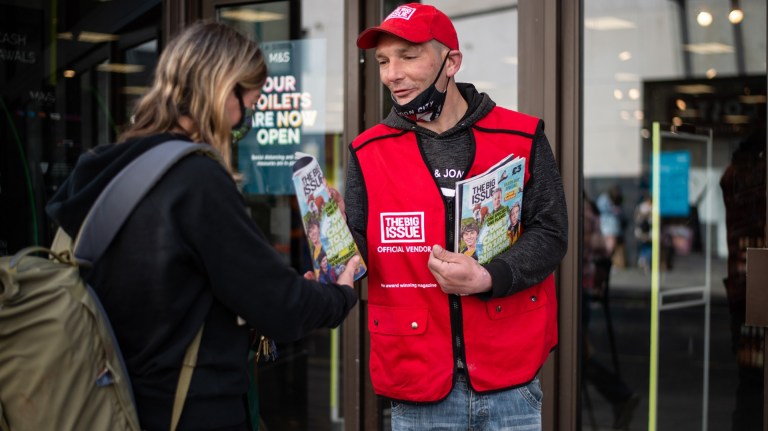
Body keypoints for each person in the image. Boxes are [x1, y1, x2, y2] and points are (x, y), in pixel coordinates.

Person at [45, 21, 359, 431]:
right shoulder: (195, 179)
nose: (246, 117)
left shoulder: (106, 166)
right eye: (249, 100)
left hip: (112, 401)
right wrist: (339, 294)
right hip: (187, 409)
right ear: (222, 89)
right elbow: (278, 304)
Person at [343, 4, 568, 429]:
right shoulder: (367, 152)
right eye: (383, 61)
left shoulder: (520, 136)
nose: (392, 74)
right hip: (417, 380)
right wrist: (331, 240)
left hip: (510, 381)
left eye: (408, 56)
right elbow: (354, 255)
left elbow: (551, 233)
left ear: (452, 62)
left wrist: (490, 277)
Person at [582, 193, 639, 429]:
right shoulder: (589, 209)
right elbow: (603, 252)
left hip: (576, 291)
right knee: (581, 355)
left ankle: (620, 395)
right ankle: (620, 396)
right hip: (583, 289)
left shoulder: (580, 210)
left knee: (579, 355)